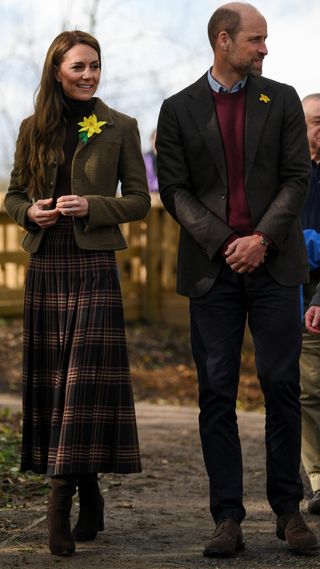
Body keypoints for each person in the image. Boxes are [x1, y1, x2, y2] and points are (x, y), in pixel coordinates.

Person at [156, 1, 318, 557]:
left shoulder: (284, 100)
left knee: (282, 387)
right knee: (216, 393)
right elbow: (174, 190)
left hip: (275, 267)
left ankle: (288, 512)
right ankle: (226, 517)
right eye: (255, 39)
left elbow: (297, 178)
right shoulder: (178, 109)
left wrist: (260, 240)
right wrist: (227, 243)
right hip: (212, 272)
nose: (264, 48)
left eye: (265, 39)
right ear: (223, 41)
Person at [4, 30, 150, 556]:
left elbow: (137, 200)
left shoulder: (120, 128)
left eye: (95, 66)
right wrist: (29, 212)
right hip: (47, 267)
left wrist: (94, 206)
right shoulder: (31, 129)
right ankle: (87, 486)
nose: (89, 75)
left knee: (83, 382)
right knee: (56, 384)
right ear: (56, 71)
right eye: (78, 68)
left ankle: (59, 500)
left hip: (93, 268)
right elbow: (15, 192)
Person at [299, 93, 320, 514]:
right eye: (317, 121)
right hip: (296, 296)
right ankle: (318, 480)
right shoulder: (291, 173)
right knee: (308, 391)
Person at [143, 129, 158, 193]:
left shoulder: (168, 159)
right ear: (151, 140)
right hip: (150, 193)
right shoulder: (145, 159)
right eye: (155, 138)